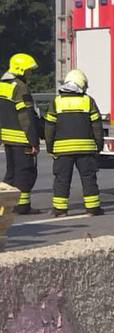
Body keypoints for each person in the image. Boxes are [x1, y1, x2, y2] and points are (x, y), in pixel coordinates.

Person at [44, 68, 104, 217]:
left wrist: (50, 147)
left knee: (61, 180)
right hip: (86, 149)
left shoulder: (56, 102)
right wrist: (99, 145)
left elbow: (49, 127)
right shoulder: (88, 101)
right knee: (88, 178)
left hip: (62, 150)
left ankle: (60, 210)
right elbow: (97, 126)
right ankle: (93, 209)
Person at [0, 53, 41, 214]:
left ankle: (5, 204)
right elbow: (26, 117)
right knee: (24, 173)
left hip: (7, 137)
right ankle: (22, 206)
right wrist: (34, 141)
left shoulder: (3, 85)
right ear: (21, 70)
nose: (30, 74)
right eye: (28, 71)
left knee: (11, 173)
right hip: (21, 137)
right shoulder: (20, 87)